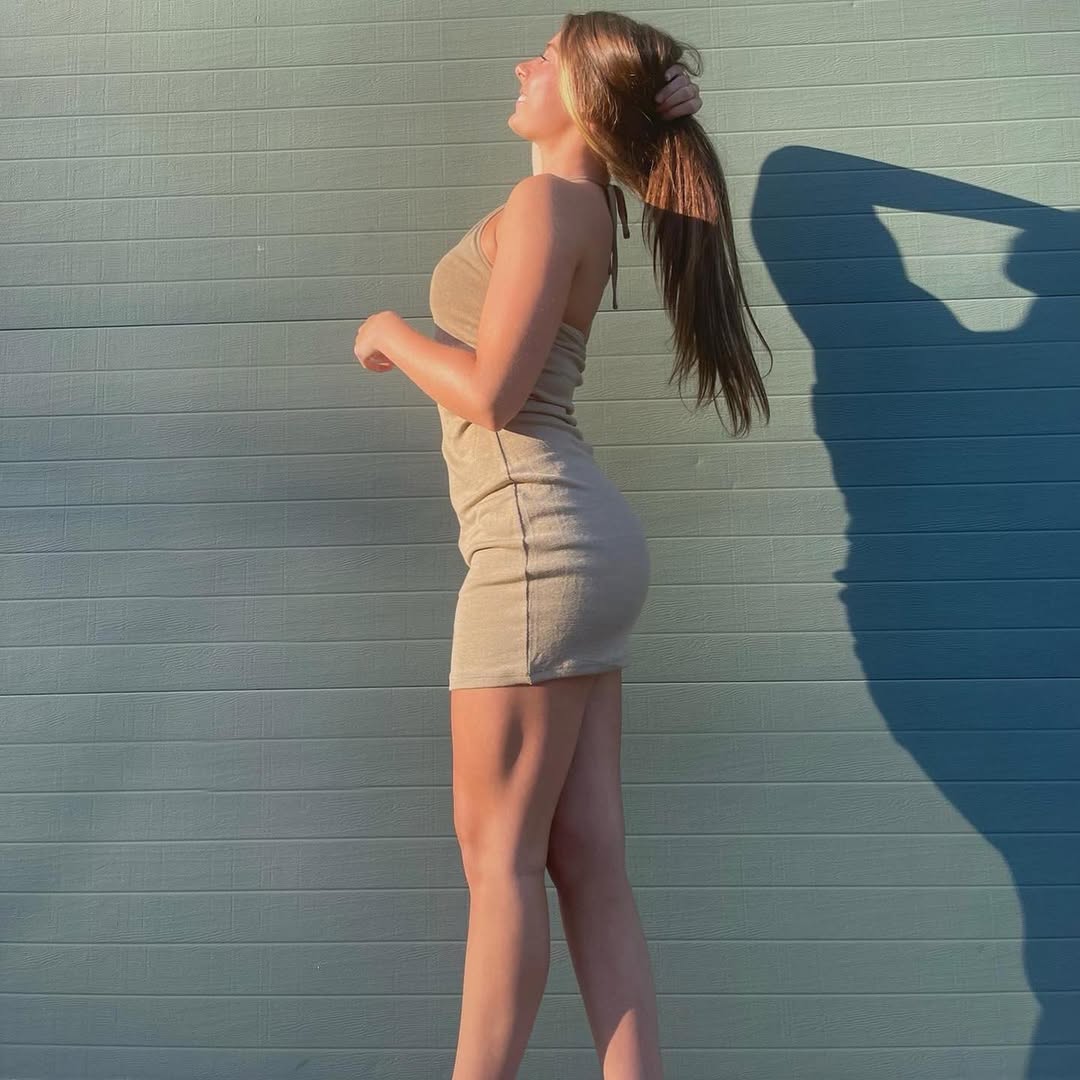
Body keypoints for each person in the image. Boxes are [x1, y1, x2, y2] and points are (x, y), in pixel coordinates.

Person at [351, 13, 769, 1078]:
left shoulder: (551, 203)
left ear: (586, 94)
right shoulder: (585, 206)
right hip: (577, 542)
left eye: (546, 55)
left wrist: (394, 333)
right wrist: (660, 90)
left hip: (533, 545)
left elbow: (494, 395)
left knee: (499, 860)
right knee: (588, 861)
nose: (522, 64)